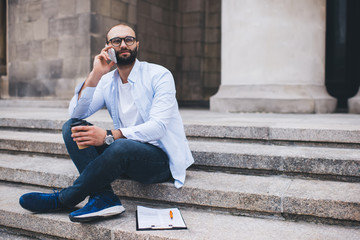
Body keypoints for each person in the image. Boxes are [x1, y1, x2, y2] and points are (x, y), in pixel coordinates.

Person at [19, 23, 194, 223]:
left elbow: (159, 127)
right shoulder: (107, 80)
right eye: (116, 41)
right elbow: (75, 113)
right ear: (108, 48)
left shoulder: (159, 75)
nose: (123, 45)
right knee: (72, 128)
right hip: (124, 152)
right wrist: (95, 75)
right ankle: (104, 197)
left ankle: (65, 198)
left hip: (160, 159)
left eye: (129, 39)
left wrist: (110, 135)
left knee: (120, 145)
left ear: (137, 44)